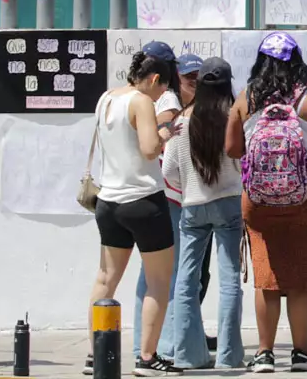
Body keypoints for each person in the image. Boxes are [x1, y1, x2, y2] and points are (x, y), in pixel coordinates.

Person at [225, 32, 307, 373]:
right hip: (304, 198)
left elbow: (232, 149)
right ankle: (301, 353)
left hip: (258, 201)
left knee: (266, 275)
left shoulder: (247, 98)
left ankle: (263, 353)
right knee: (302, 272)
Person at [88, 44, 183, 377]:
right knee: (159, 281)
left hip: (109, 201)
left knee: (106, 279)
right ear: (155, 78)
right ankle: (147, 357)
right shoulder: (142, 102)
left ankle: (96, 353)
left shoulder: (107, 98)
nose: (162, 95)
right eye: (164, 88)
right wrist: (166, 132)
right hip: (143, 200)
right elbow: (148, 150)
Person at [163, 57, 244, 370]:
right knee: (229, 280)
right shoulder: (233, 116)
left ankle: (187, 354)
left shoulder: (182, 121)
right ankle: (229, 356)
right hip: (229, 204)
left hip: (193, 205)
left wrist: (189, 187)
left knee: (186, 280)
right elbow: (243, 161)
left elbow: (168, 169)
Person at [130, 46, 186, 363]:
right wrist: (164, 130)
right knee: (167, 275)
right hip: (165, 193)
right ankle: (162, 347)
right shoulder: (167, 99)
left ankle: (142, 346)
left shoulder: (122, 98)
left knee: (147, 275)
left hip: (137, 192)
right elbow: (156, 139)